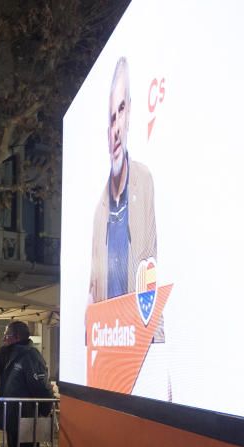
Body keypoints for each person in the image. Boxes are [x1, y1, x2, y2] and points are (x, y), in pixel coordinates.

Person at [89, 56, 157, 304]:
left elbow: (152, 267)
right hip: (108, 337)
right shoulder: (99, 212)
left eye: (120, 111)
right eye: (111, 117)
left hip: (138, 337)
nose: (116, 127)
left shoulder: (144, 181)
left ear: (129, 113)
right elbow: (93, 294)